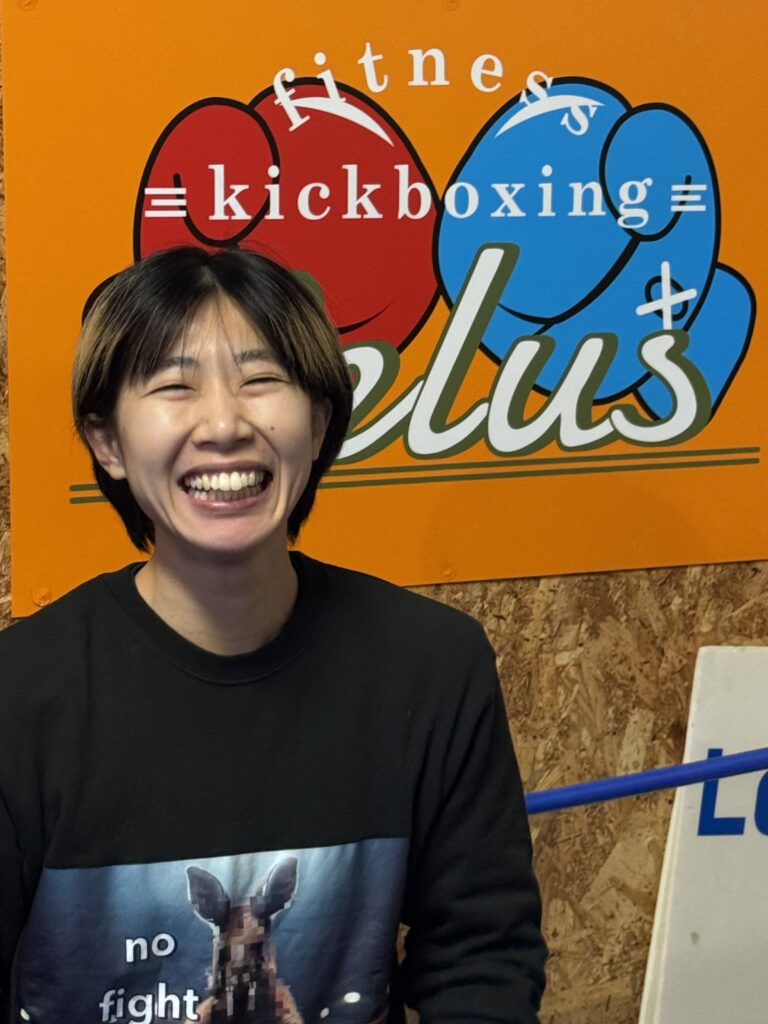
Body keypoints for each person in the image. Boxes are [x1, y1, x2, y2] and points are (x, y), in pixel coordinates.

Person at [0, 247, 546, 1024]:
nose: (225, 425)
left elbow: (482, 960)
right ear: (107, 442)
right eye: (174, 386)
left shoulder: (433, 668)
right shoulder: (21, 694)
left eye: (261, 380)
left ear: (318, 422)